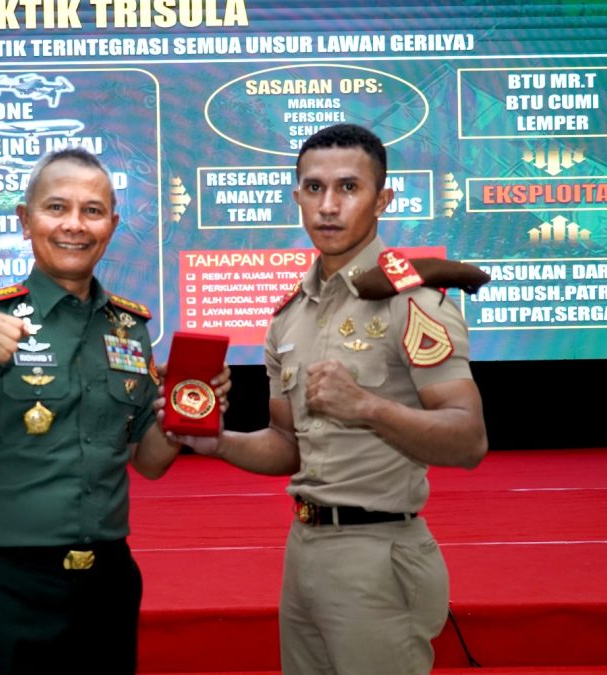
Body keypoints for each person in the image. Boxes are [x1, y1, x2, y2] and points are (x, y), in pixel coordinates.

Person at [0, 148, 229, 675]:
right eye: (56, 208)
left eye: (93, 211)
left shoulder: (129, 329)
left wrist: (187, 407)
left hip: (106, 580)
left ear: (112, 226)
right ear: (25, 220)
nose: (74, 226)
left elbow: (148, 461)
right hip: (4, 580)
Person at [191, 124, 488, 674]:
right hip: (304, 548)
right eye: (314, 188)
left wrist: (366, 407)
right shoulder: (290, 316)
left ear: (383, 200)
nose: (328, 206)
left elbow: (468, 439)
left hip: (378, 553)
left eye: (349, 188)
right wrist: (216, 442)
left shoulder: (412, 302)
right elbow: (287, 445)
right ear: (297, 196)